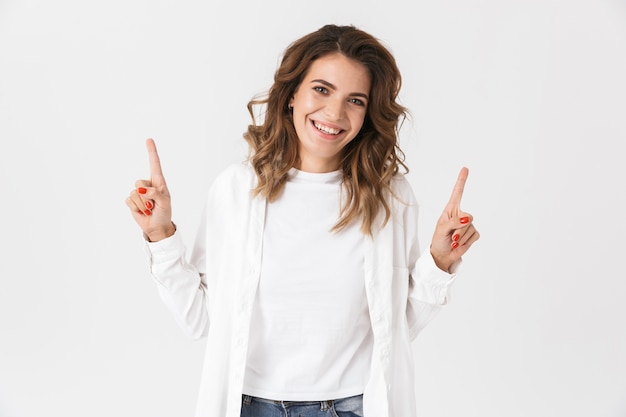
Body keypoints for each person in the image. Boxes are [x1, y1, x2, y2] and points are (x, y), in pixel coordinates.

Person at [126, 24, 479, 417]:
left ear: (368, 113)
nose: (334, 113)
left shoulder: (389, 197)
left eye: (355, 100)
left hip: (352, 407)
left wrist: (440, 261)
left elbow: (393, 331)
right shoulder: (237, 190)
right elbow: (200, 319)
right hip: (249, 406)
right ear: (292, 94)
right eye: (322, 89)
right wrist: (160, 234)